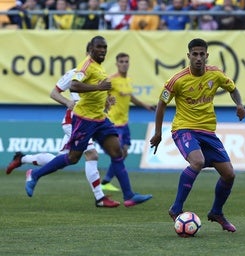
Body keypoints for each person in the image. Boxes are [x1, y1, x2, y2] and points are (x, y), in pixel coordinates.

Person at [25, 35, 153, 208]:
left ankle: (129, 195)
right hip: (84, 119)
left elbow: (98, 91)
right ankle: (35, 175)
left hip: (100, 118)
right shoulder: (86, 65)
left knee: (117, 153)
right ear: (91, 49)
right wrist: (98, 88)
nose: (102, 50)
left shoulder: (99, 68)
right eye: (98, 47)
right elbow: (74, 86)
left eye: (104, 47)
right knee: (72, 158)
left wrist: (106, 100)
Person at [149, 38, 245, 232]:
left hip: (207, 131)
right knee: (197, 162)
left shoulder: (216, 74)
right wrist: (158, 132)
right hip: (184, 129)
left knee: (229, 174)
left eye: (202, 54)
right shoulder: (177, 80)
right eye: (195, 54)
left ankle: (216, 212)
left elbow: (233, 89)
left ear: (207, 55)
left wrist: (239, 104)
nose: (199, 58)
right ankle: (176, 208)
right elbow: (161, 104)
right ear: (189, 56)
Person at [7, 43, 120, 208]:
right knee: (92, 155)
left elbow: (96, 98)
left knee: (60, 159)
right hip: (74, 121)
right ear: (89, 52)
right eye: (94, 51)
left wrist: (107, 102)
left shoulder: (98, 73)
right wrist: (68, 102)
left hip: (88, 121)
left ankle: (23, 159)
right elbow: (54, 93)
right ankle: (99, 197)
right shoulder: (74, 73)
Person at [100, 52, 156, 191]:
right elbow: (100, 92)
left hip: (124, 123)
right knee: (118, 153)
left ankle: (106, 181)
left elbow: (130, 97)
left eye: (126, 61)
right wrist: (105, 103)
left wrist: (145, 105)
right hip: (113, 122)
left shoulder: (129, 80)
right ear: (117, 64)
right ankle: (108, 183)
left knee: (124, 153)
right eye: (121, 62)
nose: (124, 64)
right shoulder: (111, 80)